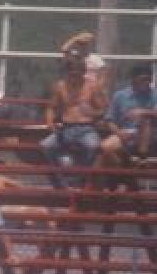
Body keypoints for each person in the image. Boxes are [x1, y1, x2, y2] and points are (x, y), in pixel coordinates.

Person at [40, 53, 107, 189]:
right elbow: (51, 107)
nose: (74, 77)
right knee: (46, 146)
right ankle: (60, 183)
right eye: (71, 74)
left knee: (94, 146)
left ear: (83, 72)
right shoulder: (60, 87)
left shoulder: (92, 87)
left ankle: (79, 180)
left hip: (86, 128)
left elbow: (103, 110)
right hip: (66, 128)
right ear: (67, 72)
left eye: (77, 74)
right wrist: (50, 123)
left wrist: (92, 113)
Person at [101, 64, 157, 168]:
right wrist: (119, 133)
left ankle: (141, 157)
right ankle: (127, 169)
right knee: (106, 147)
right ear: (133, 79)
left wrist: (142, 112)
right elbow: (109, 120)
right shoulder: (120, 95)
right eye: (143, 79)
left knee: (146, 120)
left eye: (148, 79)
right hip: (125, 132)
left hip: (149, 135)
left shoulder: (156, 93)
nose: (146, 82)